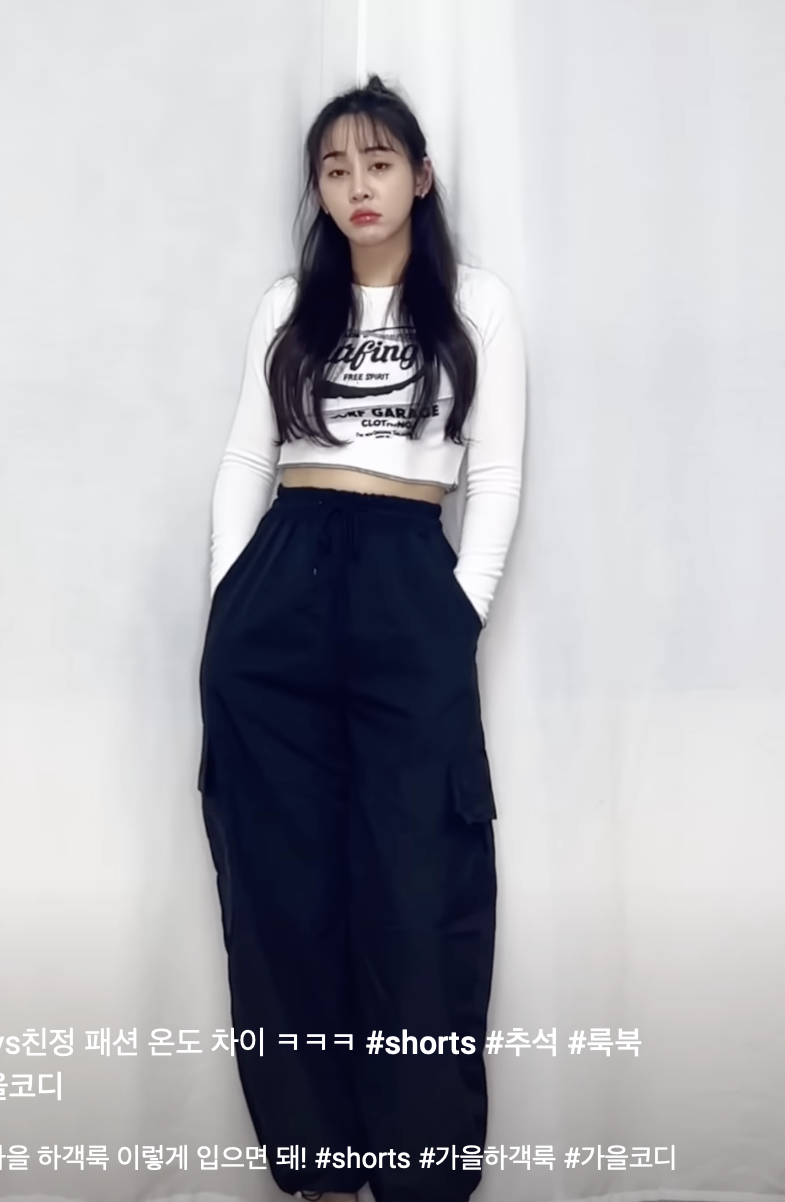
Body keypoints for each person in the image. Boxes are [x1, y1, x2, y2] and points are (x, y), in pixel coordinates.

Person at [198, 74, 527, 1202]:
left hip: (406, 575)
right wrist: (228, 602)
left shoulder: (473, 304)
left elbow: (495, 474)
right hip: (282, 581)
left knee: (416, 885)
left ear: (419, 176)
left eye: (378, 163)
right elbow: (247, 458)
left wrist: (457, 612)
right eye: (335, 169)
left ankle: (418, 1174)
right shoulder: (289, 305)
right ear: (319, 189)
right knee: (281, 889)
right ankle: (320, 1171)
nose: (358, 186)